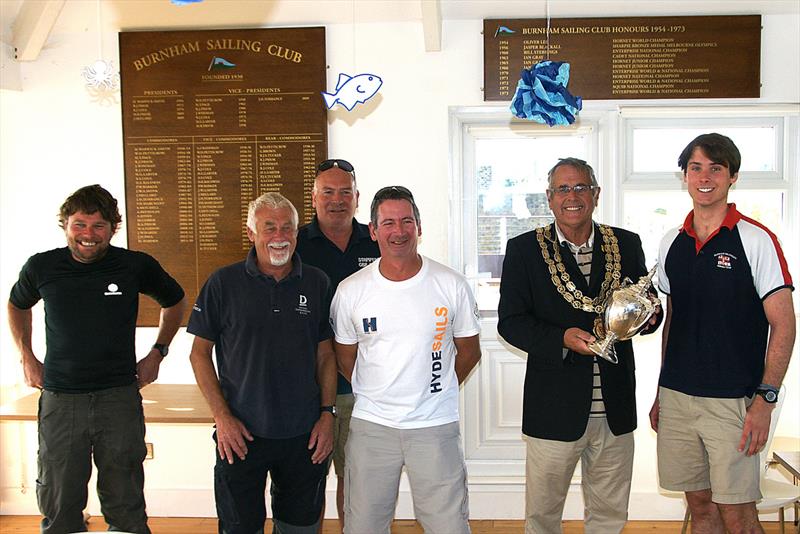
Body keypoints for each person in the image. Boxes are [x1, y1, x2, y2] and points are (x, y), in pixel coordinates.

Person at [7, 184, 186, 534]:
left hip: (118, 397)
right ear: (66, 226)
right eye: (79, 225)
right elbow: (17, 304)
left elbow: (175, 302)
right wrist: (26, 356)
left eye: (98, 226)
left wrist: (158, 352)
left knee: (125, 500)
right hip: (61, 398)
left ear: (112, 229)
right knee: (59, 501)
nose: (88, 235)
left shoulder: (134, 265)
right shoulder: (42, 267)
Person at [497, 158, 661, 534]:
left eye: (581, 187)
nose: (573, 196)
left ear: (596, 194)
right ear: (550, 199)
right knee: (543, 515)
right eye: (563, 189)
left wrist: (650, 316)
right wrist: (562, 339)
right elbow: (511, 323)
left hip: (614, 408)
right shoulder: (524, 249)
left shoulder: (626, 243)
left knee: (609, 514)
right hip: (552, 408)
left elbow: (645, 305)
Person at [650, 133, 795, 533]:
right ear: (684, 176)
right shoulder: (670, 243)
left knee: (738, 514)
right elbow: (674, 320)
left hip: (734, 402)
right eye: (695, 167)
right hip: (678, 398)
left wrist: (765, 400)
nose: (705, 176)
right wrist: (662, 392)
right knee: (699, 506)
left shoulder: (756, 239)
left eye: (716, 168)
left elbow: (784, 324)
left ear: (733, 177)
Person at [330, 186, 481, 534]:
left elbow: (469, 351)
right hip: (372, 427)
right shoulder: (351, 291)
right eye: (388, 223)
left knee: (449, 527)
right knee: (363, 526)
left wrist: (435, 389)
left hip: (434, 426)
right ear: (372, 230)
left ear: (419, 226)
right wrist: (381, 392)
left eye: (406, 221)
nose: (398, 231)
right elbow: (345, 358)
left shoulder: (450, 284)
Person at [188, 192, 336, 534]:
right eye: (269, 227)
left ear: (297, 234)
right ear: (251, 233)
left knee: (300, 527)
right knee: (240, 527)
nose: (280, 236)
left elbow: (325, 354)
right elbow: (199, 353)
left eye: (288, 228)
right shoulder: (222, 283)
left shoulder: (317, 282)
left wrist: (327, 415)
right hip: (239, 434)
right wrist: (222, 417)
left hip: (304, 435)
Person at [295, 158, 379, 531]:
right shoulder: (292, 244)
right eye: (328, 192)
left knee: (357, 481)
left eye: (345, 192)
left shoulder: (377, 240)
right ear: (313, 198)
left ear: (357, 198)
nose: (337, 199)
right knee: (305, 483)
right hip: (307, 387)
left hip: (365, 386)